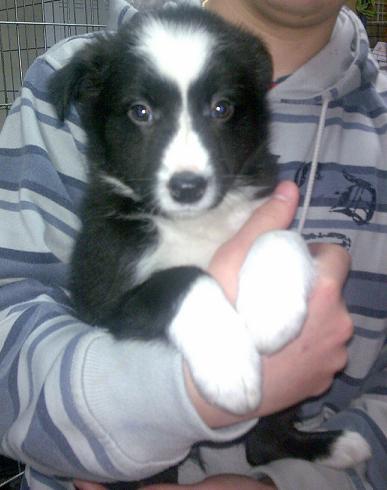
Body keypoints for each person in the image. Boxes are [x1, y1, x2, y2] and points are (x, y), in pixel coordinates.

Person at [0, 0, 385, 489]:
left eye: (220, 108)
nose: (189, 163)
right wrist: (189, 387)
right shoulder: (76, 85)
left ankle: (278, 439)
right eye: (142, 111)